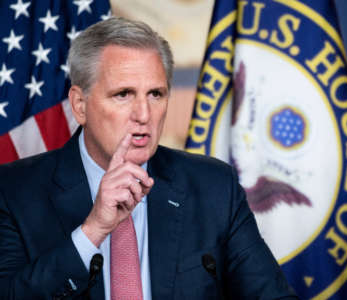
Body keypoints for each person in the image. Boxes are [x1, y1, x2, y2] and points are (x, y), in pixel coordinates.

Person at [0, 17, 298, 300]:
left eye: (155, 94)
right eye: (124, 94)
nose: (144, 115)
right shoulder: (13, 191)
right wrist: (92, 231)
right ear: (80, 105)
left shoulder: (214, 187)